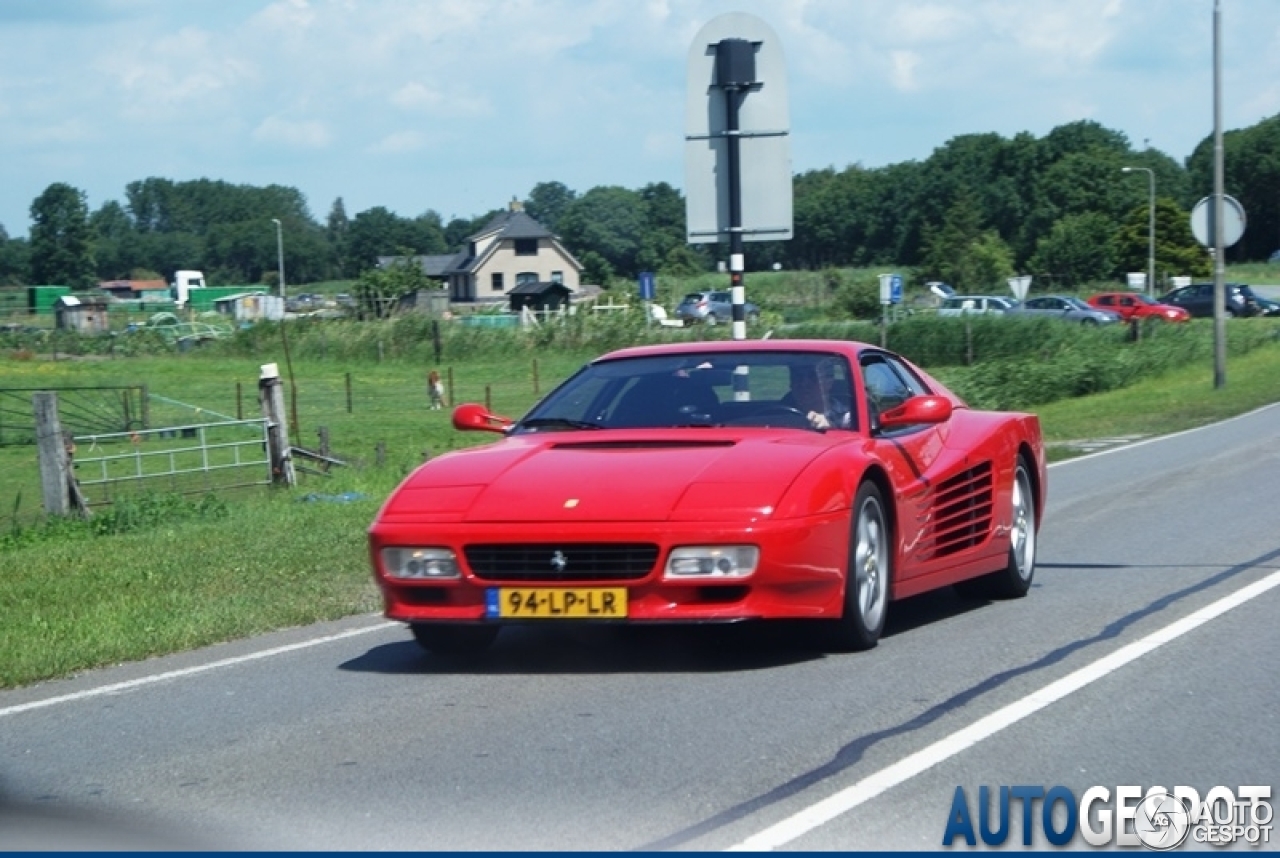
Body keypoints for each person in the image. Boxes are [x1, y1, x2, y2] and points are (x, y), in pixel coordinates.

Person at [784, 361, 852, 430]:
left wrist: (830, 428)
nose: (804, 384)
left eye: (813, 377)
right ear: (791, 383)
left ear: (829, 382)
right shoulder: (776, 413)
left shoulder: (845, 418)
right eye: (798, 377)